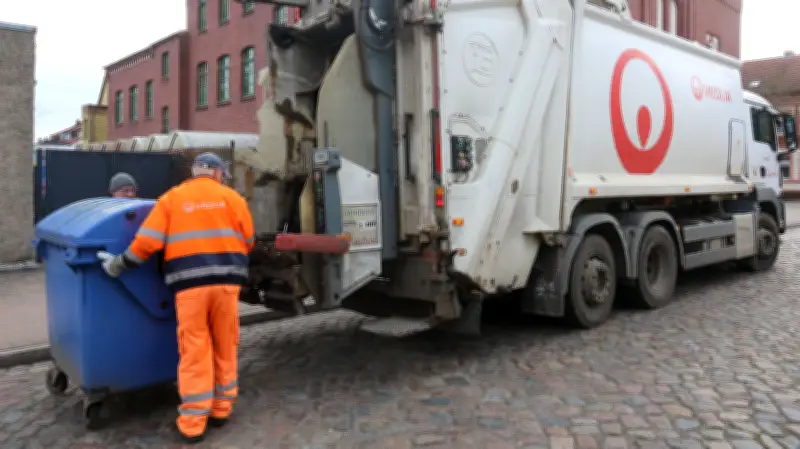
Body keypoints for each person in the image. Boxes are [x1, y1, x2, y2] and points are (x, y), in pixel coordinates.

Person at [96, 153, 255, 444]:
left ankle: (194, 423)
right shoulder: (233, 199)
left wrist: (118, 264)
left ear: (195, 172)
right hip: (226, 286)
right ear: (217, 173)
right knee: (225, 343)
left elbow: (146, 243)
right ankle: (221, 409)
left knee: (194, 349)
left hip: (189, 287)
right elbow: (249, 240)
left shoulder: (172, 199)